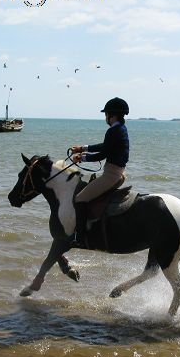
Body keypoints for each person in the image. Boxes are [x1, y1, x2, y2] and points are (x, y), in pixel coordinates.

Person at [69, 97, 130, 247]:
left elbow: (102, 154)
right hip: (119, 173)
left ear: (112, 115)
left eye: (106, 114)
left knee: (79, 198)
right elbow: (105, 146)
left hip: (111, 175)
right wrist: (83, 148)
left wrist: (80, 158)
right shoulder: (120, 129)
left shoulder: (113, 130)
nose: (105, 117)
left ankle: (80, 239)